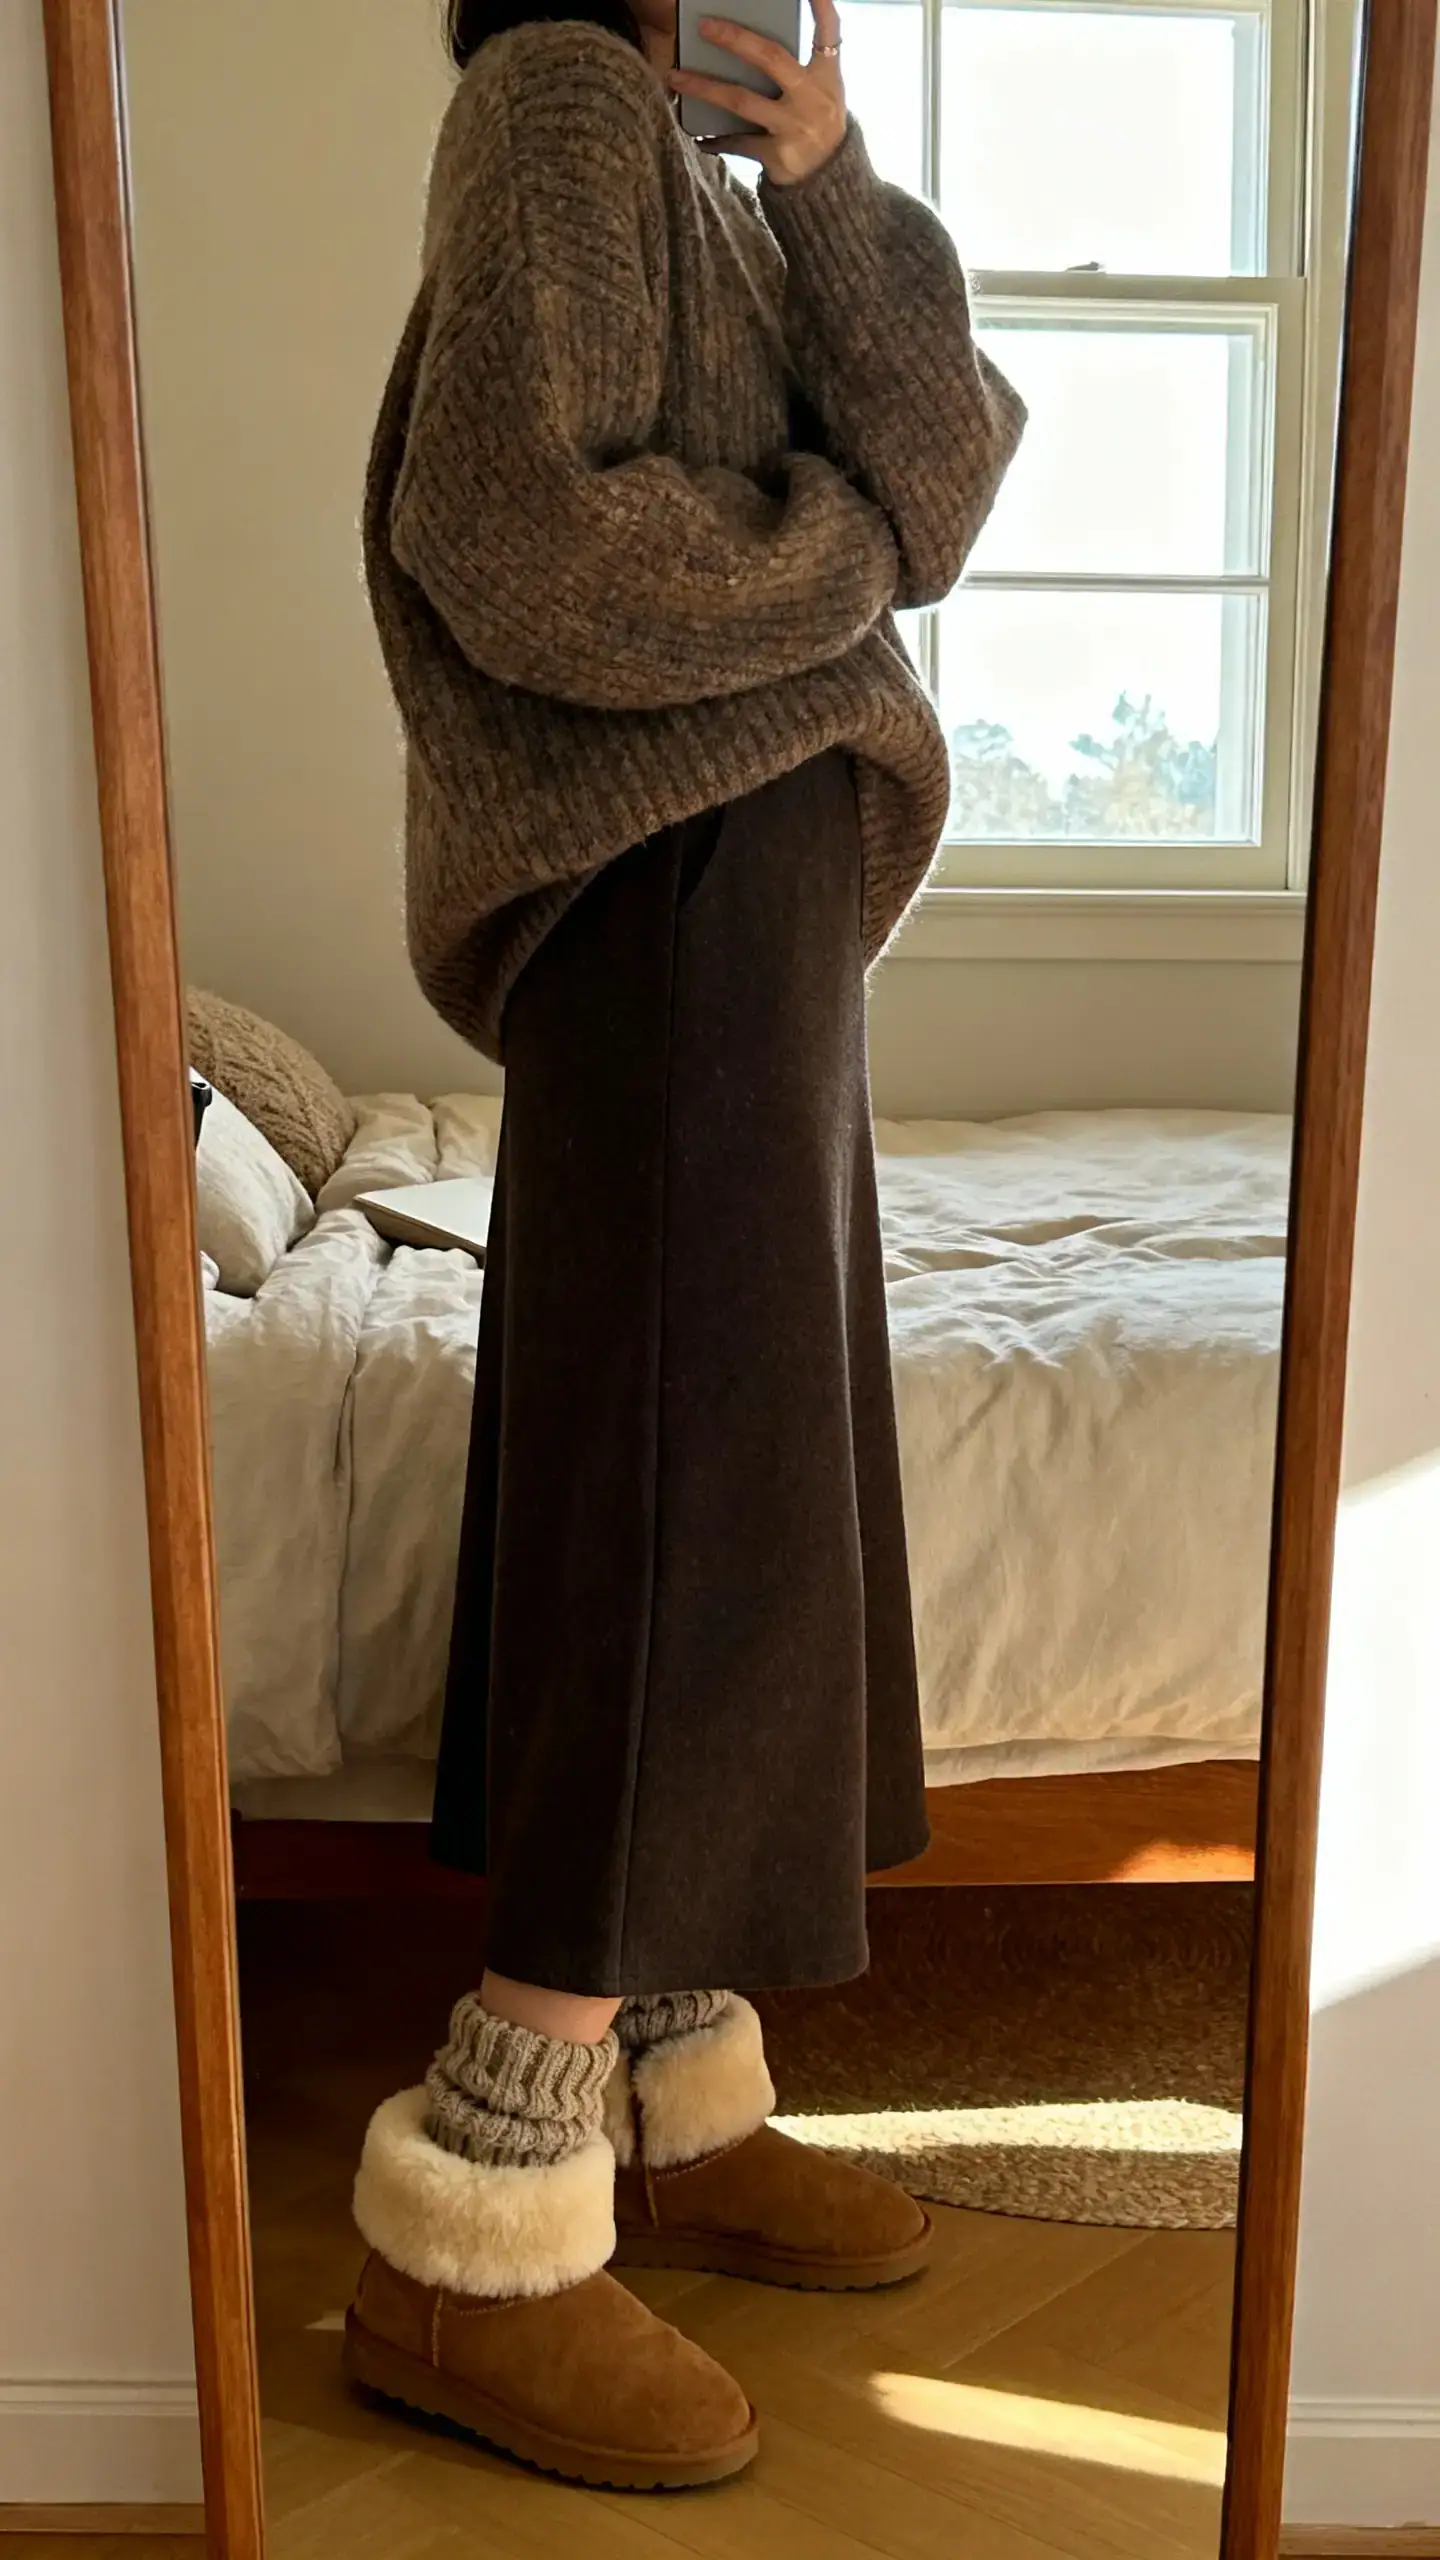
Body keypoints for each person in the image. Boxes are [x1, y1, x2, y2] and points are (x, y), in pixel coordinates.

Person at [344, 0, 1024, 2491]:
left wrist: (834, 178)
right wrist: (843, 577)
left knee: (745, 1487)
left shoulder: (727, 176)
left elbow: (950, 468)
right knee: (684, 1505)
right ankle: (476, 2214)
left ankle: (679, 2079)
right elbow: (514, 531)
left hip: (754, 904)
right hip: (664, 892)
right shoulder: (547, 105)